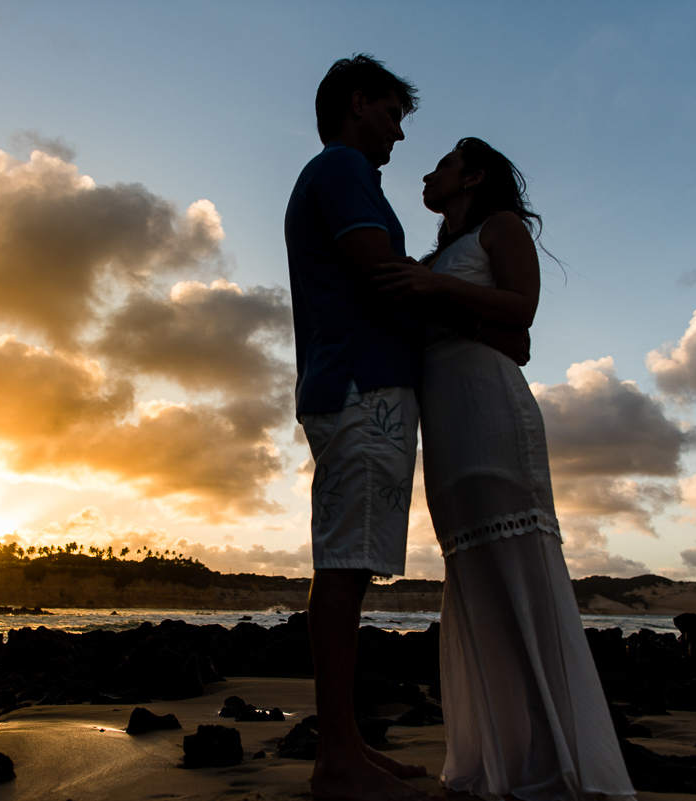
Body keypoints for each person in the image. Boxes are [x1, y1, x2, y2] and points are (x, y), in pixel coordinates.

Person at [374, 139, 636, 800]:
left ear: (474, 176)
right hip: (446, 427)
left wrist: (436, 287)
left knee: (521, 571)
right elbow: (487, 330)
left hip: (492, 414)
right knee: (476, 578)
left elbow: (522, 312)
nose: (428, 172)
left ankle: (558, 757)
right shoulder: (434, 257)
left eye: (443, 164)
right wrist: (430, 287)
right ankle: (502, 756)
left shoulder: (501, 226)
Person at [284, 55, 434, 801]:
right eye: (393, 114)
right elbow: (380, 274)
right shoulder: (342, 168)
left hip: (357, 386)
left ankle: (347, 746)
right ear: (356, 103)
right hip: (360, 388)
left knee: (350, 563)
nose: (399, 134)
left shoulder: (346, 174)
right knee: (344, 565)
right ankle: (338, 757)